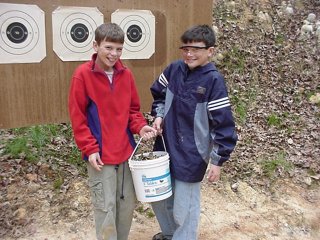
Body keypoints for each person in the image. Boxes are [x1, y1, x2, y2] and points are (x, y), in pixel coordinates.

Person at [68, 22, 157, 240]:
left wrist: (140, 126)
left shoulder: (125, 75)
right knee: (105, 210)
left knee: (125, 209)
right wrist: (89, 149)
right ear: (95, 45)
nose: (114, 54)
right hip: (101, 157)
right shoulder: (82, 75)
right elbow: (78, 118)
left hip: (126, 155)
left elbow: (133, 111)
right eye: (108, 47)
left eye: (119, 48)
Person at [149, 24, 238, 240]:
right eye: (186, 49)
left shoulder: (213, 80)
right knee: (159, 198)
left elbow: (223, 124)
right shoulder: (174, 70)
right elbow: (158, 95)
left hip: (192, 155)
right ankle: (170, 234)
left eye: (196, 49)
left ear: (210, 51)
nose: (190, 54)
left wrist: (217, 161)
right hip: (164, 148)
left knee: (184, 208)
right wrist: (159, 115)